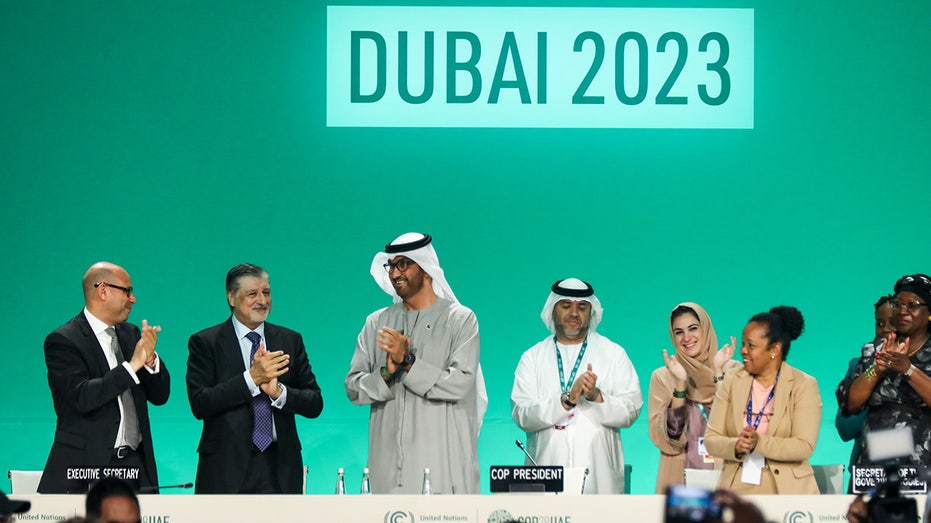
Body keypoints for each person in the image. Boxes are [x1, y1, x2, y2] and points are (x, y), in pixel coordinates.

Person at [345, 233, 486, 494]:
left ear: (427, 269)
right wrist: (388, 372)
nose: (395, 273)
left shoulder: (460, 320)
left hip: (443, 465)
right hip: (387, 466)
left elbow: (461, 383)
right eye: (391, 266)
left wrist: (408, 361)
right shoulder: (376, 322)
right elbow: (354, 387)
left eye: (403, 265)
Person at [187, 263, 323, 493]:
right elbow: (201, 403)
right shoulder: (206, 342)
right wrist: (251, 379)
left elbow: (314, 403)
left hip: (280, 467)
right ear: (231, 297)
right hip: (225, 468)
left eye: (266, 292)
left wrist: (279, 393)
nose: (262, 300)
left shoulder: (290, 340)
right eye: (252, 294)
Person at [39, 262, 170, 494]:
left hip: (134, 467)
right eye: (127, 291)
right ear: (103, 290)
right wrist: (132, 366)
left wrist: (150, 362)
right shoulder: (64, 341)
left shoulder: (130, 334)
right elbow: (82, 397)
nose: (133, 299)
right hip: (86, 469)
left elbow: (160, 396)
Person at [511, 278, 643, 494]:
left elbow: (631, 410)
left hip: (599, 479)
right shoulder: (532, 358)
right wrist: (566, 400)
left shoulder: (613, 354)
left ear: (591, 313)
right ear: (552, 310)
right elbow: (521, 414)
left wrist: (597, 396)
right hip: (546, 474)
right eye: (566, 306)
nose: (574, 313)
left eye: (582, 307)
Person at [704, 306, 821, 494]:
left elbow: (804, 445)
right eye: (743, 344)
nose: (742, 351)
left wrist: (760, 443)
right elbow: (711, 438)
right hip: (737, 489)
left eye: (751, 345)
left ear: (774, 349)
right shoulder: (732, 380)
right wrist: (735, 445)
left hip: (788, 492)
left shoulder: (803, 384)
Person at [837, 274, 931, 468]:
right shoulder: (875, 349)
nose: (903, 311)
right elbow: (851, 404)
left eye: (912, 305)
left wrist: (908, 369)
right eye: (898, 304)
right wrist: (877, 370)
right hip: (875, 463)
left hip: (923, 465)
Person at [648, 302, 739, 493]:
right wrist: (680, 386)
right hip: (679, 476)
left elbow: (737, 425)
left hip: (726, 475)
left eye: (693, 328)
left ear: (705, 329)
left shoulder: (733, 370)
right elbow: (667, 439)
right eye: (679, 332)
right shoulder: (663, 376)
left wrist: (717, 373)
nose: (687, 338)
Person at [834, 294, 895, 492]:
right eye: (880, 323)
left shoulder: (920, 369)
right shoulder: (858, 365)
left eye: (892, 323)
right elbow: (845, 428)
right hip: (867, 476)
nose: (885, 329)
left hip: (915, 475)